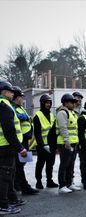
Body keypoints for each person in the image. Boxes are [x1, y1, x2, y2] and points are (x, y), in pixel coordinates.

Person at [0, 81, 27, 215]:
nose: (12, 94)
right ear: (4, 92)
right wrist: (20, 148)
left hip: (4, 146)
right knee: (5, 177)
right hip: (6, 146)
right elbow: (9, 131)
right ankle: (3, 206)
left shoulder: (4, 105)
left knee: (7, 176)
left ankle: (10, 200)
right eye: (11, 91)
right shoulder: (4, 106)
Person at [11, 86, 39, 195]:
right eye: (20, 97)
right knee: (19, 164)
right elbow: (16, 116)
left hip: (24, 139)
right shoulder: (12, 107)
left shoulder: (19, 106)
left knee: (21, 163)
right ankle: (23, 186)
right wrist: (26, 117)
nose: (22, 99)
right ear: (15, 97)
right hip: (19, 140)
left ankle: (17, 184)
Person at [57, 94, 81, 193]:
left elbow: (74, 129)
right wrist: (67, 141)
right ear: (66, 103)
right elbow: (63, 128)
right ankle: (62, 185)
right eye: (72, 102)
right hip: (65, 143)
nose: (74, 104)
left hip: (73, 142)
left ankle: (69, 183)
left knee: (71, 164)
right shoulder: (62, 113)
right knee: (64, 164)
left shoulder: (72, 113)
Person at [33, 94, 58, 189]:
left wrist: (54, 145)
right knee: (40, 164)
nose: (48, 104)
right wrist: (42, 145)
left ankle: (49, 181)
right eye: (47, 103)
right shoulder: (37, 116)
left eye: (50, 103)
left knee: (50, 164)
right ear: (42, 103)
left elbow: (54, 130)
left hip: (51, 145)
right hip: (42, 145)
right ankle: (38, 181)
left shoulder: (51, 115)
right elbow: (37, 133)